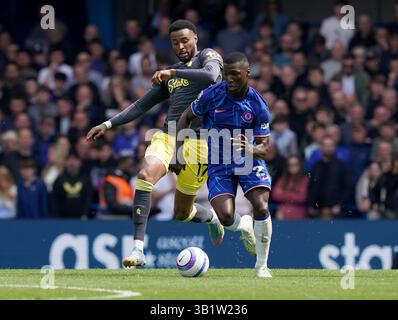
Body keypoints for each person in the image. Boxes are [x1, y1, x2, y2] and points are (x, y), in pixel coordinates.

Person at [86, 20, 224, 267]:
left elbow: (212, 76)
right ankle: (138, 249)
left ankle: (212, 218)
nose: (180, 46)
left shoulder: (208, 57)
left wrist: (173, 72)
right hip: (169, 136)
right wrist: (107, 124)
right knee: (145, 175)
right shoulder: (170, 74)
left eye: (184, 40)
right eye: (175, 43)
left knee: (182, 213)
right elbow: (141, 105)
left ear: (195, 38)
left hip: (200, 143)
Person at [174, 52, 273, 278]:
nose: (229, 79)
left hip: (247, 159)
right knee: (226, 217)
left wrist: (250, 149)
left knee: (261, 206)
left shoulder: (258, 104)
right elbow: (184, 118)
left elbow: (265, 148)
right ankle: (245, 226)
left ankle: (262, 265)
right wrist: (177, 153)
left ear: (248, 74)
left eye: (235, 75)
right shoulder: (211, 94)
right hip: (218, 162)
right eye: (226, 74)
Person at [52, 151, 93, 218]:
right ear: (65, 162)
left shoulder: (86, 179)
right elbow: (55, 200)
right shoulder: (59, 180)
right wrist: (57, 216)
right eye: (69, 160)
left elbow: (88, 199)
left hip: (82, 219)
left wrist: (85, 214)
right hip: (63, 219)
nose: (72, 163)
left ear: (80, 163)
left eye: (75, 160)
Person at [272, 155, 309, 220]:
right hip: (282, 214)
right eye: (290, 165)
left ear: (300, 165)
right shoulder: (282, 179)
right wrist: (294, 193)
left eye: (295, 164)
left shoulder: (305, 180)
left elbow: (302, 197)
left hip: (300, 214)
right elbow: (275, 195)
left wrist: (284, 193)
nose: (293, 167)